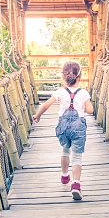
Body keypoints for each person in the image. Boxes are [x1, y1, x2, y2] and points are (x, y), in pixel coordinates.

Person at [32, 60, 93, 200]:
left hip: (63, 128)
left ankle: (65, 176)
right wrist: (84, 105)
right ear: (80, 77)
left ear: (63, 77)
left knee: (65, 150)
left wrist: (38, 115)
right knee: (77, 156)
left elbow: (46, 105)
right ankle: (76, 184)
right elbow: (90, 110)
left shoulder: (60, 92)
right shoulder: (84, 92)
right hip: (78, 128)